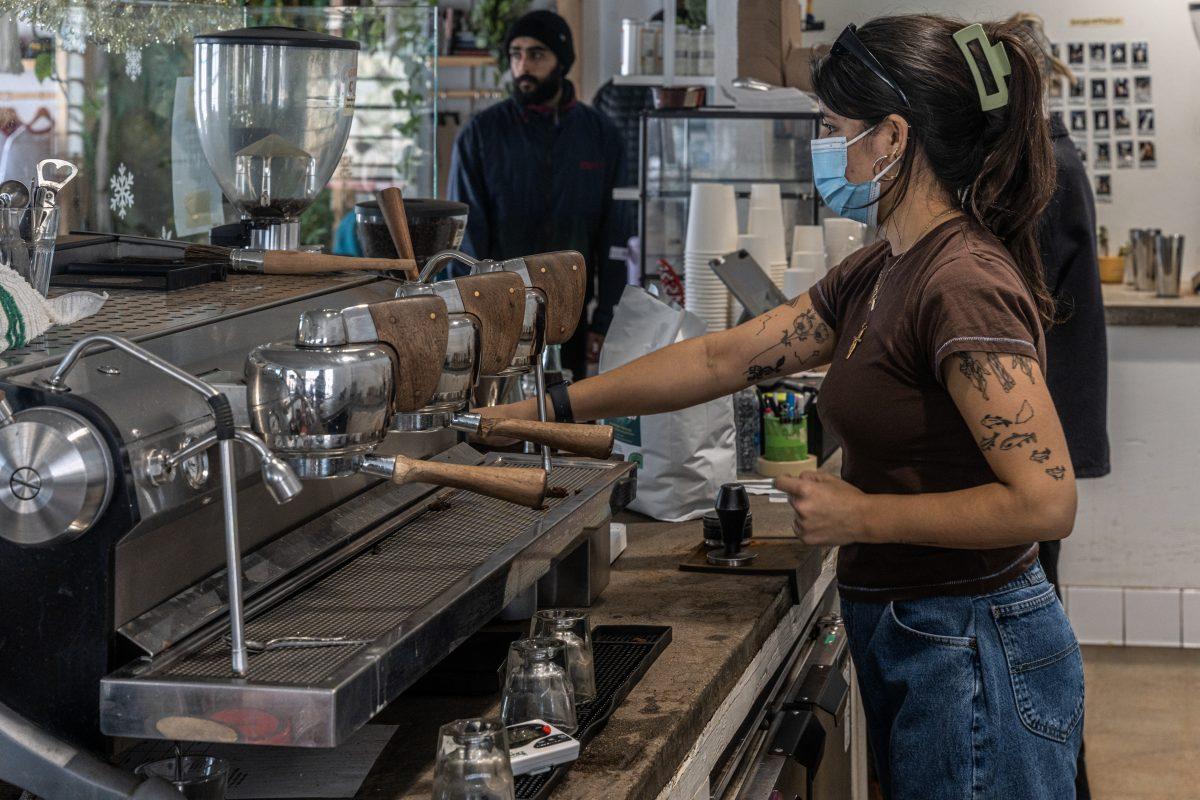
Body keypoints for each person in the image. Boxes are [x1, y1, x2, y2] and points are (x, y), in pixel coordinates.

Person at [483, 15, 1083, 798]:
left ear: (892, 138)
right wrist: (552, 404)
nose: (821, 147)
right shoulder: (880, 269)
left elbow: (1046, 500)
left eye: (832, 128)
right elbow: (720, 355)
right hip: (925, 636)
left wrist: (864, 518)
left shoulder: (961, 280)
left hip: (973, 647)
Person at [1011, 13, 1110, 799]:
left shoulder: (1042, 174)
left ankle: (1061, 784)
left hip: (1036, 447)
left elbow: (1015, 313)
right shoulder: (1045, 164)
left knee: (1037, 645)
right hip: (1045, 438)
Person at [446, 9, 625, 380]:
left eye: (536, 54)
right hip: (496, 319)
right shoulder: (481, 135)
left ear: (562, 62)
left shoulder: (601, 135)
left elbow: (617, 235)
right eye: (516, 54)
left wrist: (606, 318)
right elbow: (466, 238)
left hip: (571, 320)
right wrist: (471, 315)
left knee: (566, 424)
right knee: (496, 428)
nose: (523, 65)